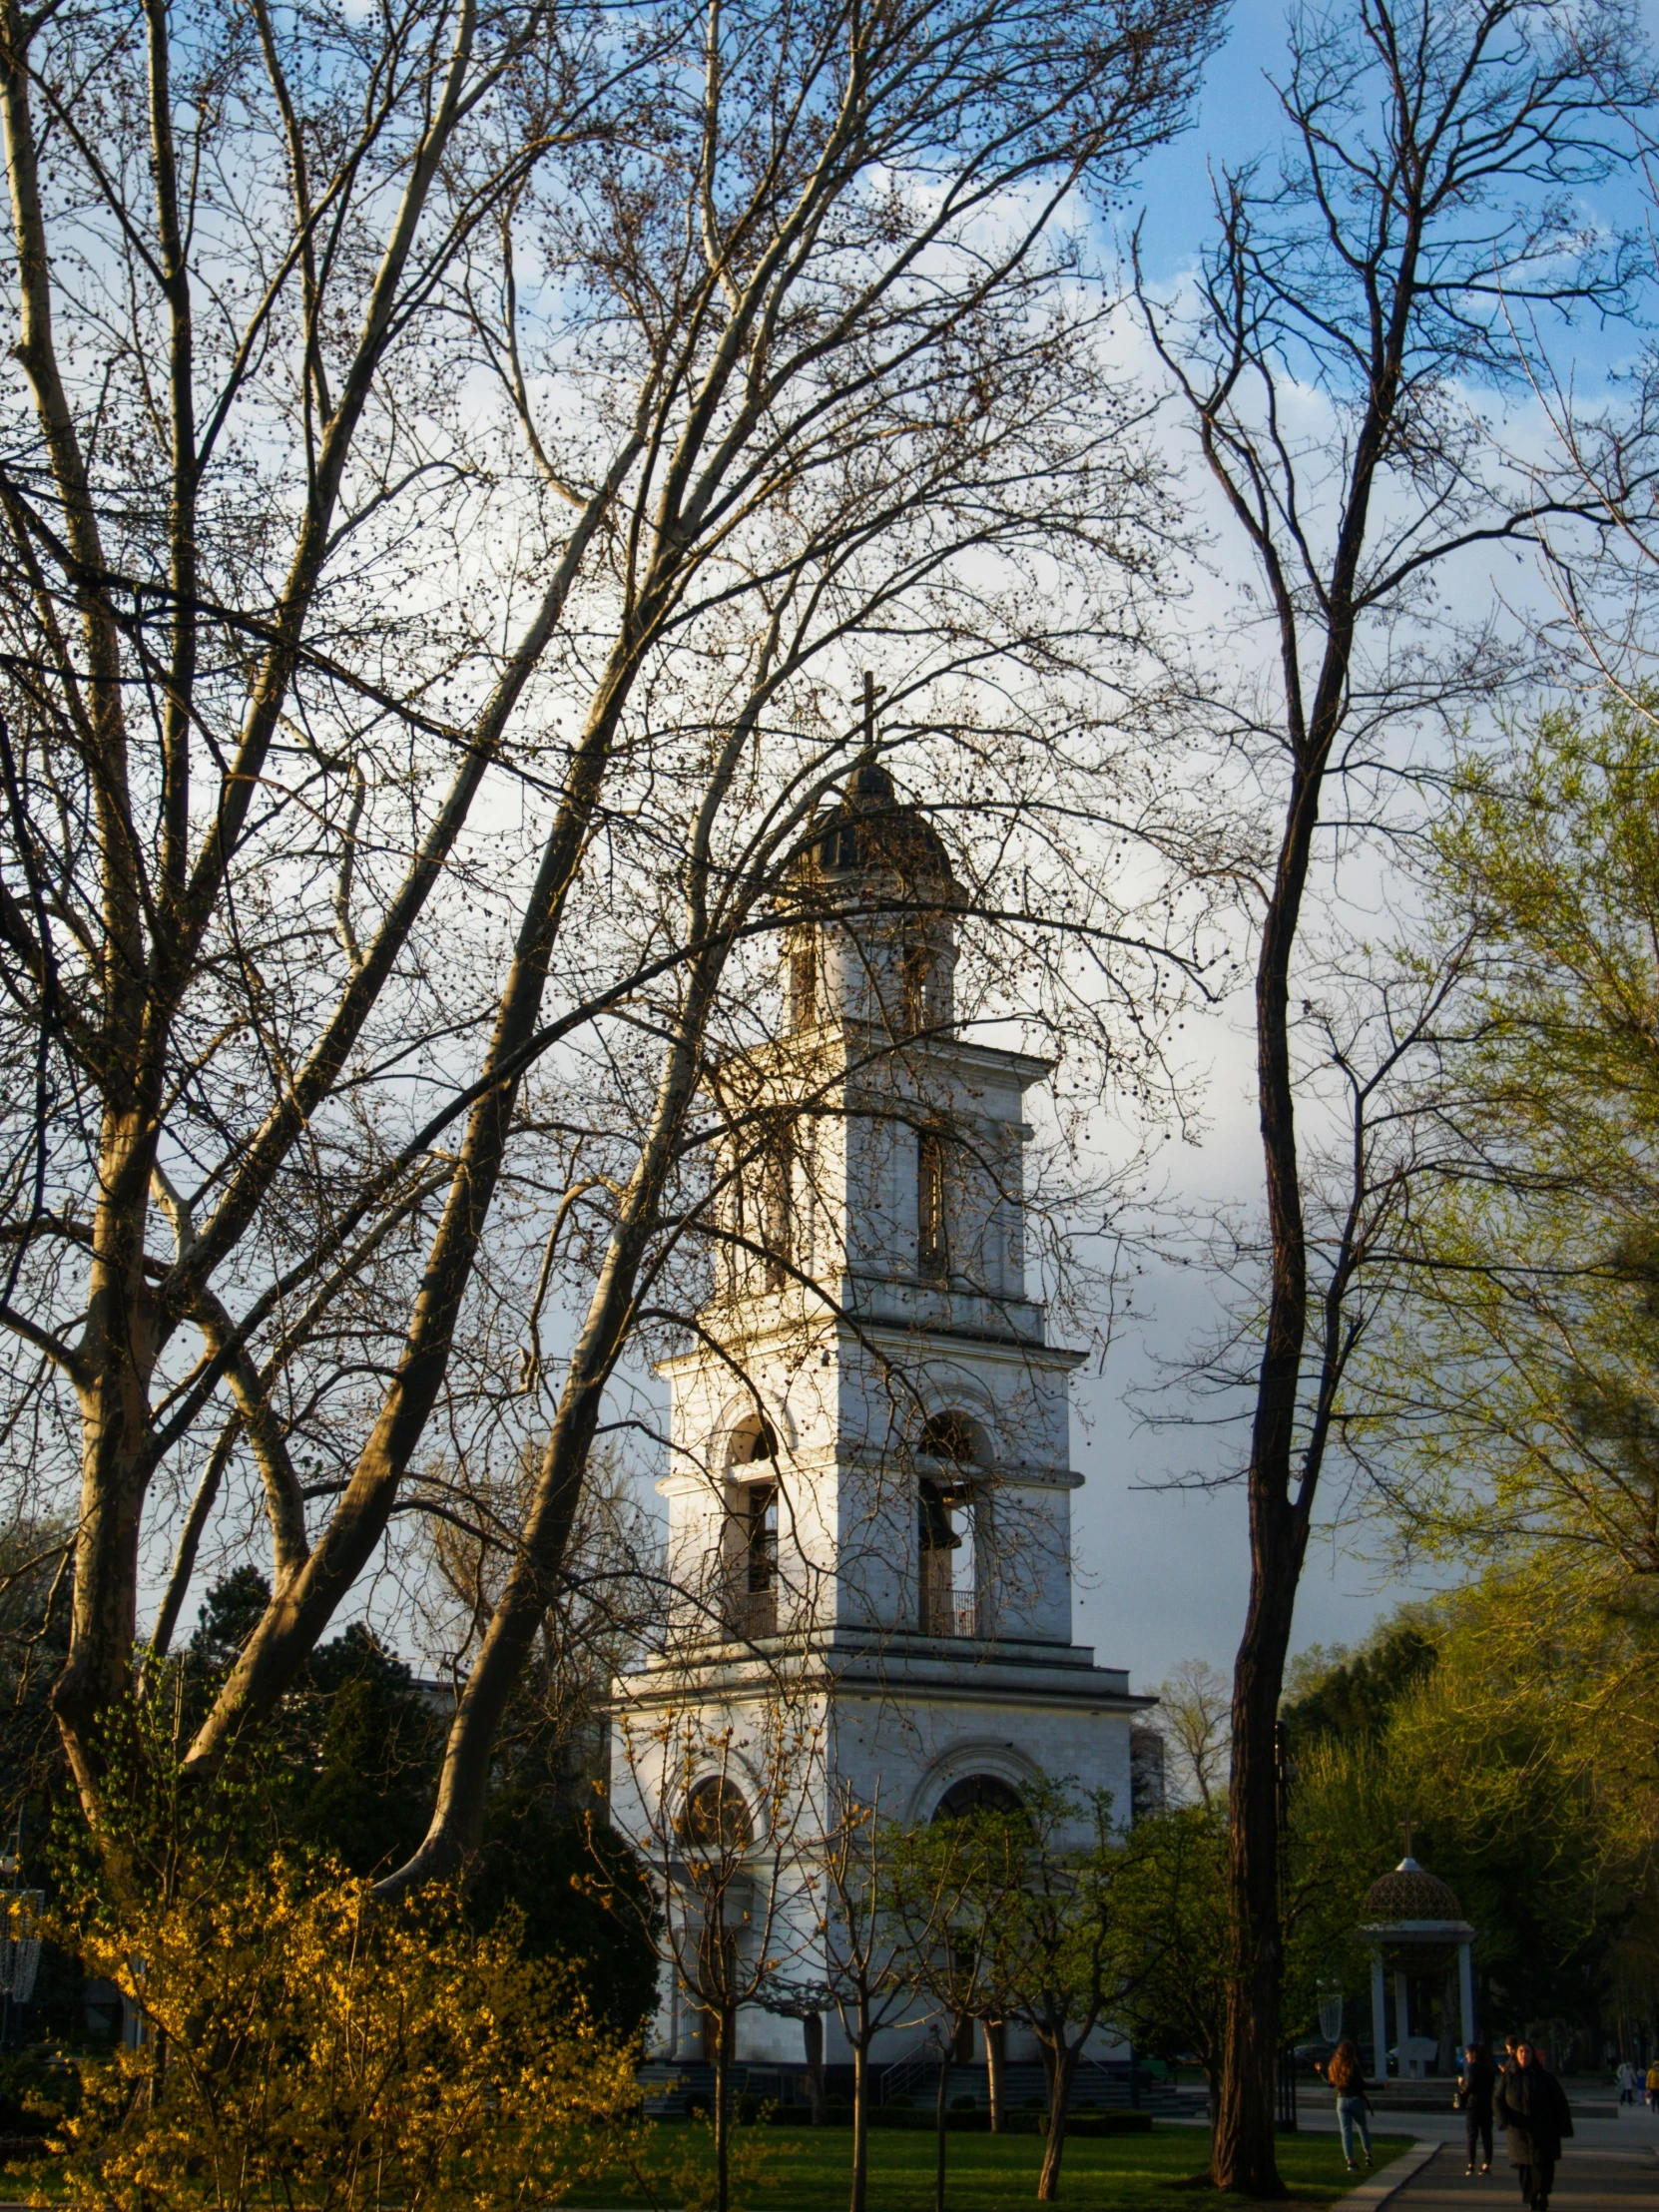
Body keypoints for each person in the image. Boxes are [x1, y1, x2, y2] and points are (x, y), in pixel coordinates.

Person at [1495, 2039, 1573, 2212]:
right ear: (1515, 2054)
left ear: (1533, 2055)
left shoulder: (1545, 2078)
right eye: (1521, 2052)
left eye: (1527, 2052)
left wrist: (1563, 2127)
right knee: (1525, 2171)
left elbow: (1560, 2102)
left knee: (1543, 2169)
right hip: (1519, 2133)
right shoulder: (1509, 2078)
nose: (1524, 2055)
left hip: (1543, 2132)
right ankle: (1531, 2199)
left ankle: (1542, 2196)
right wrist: (1504, 2120)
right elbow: (1498, 2100)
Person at [1317, 2039, 1374, 2173]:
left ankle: (1350, 2162)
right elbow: (1362, 2085)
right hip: (1356, 2100)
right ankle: (1368, 2154)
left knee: (1346, 2132)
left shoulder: (1334, 2066)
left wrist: (1321, 2072)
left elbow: (1331, 2084)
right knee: (1362, 2127)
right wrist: (1382, 2087)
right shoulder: (1353, 2066)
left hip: (1341, 2101)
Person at [1455, 2041, 1496, 2175]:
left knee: (1472, 2135)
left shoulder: (1472, 2068)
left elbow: (1469, 2086)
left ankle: (1470, 2164)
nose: (1466, 2057)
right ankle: (1486, 2163)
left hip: (1474, 2105)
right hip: (1487, 2105)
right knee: (1486, 2135)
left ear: (1474, 2054)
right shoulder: (1489, 2069)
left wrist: (1462, 2085)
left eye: (1467, 2053)